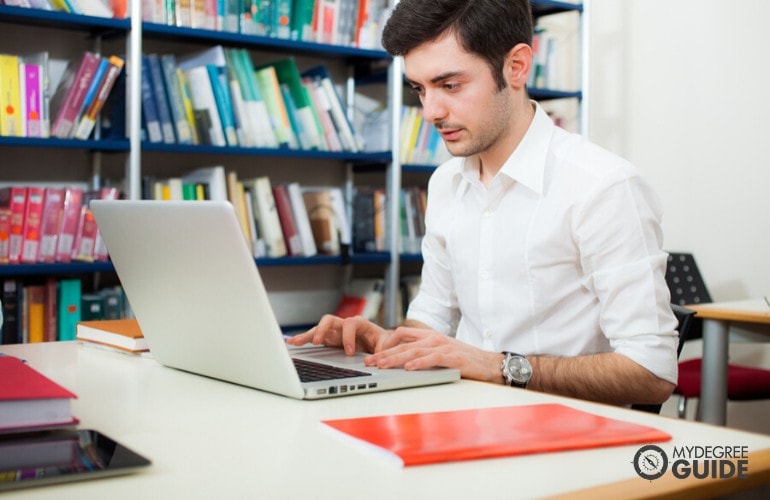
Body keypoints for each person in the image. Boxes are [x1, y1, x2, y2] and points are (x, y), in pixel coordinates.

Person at [288, 0, 678, 406]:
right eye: (420, 89)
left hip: (566, 438)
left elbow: (651, 372)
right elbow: (432, 318)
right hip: (463, 417)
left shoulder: (604, 187)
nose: (430, 112)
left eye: (450, 85)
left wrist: (497, 367)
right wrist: (388, 341)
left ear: (516, 67)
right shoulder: (444, 184)